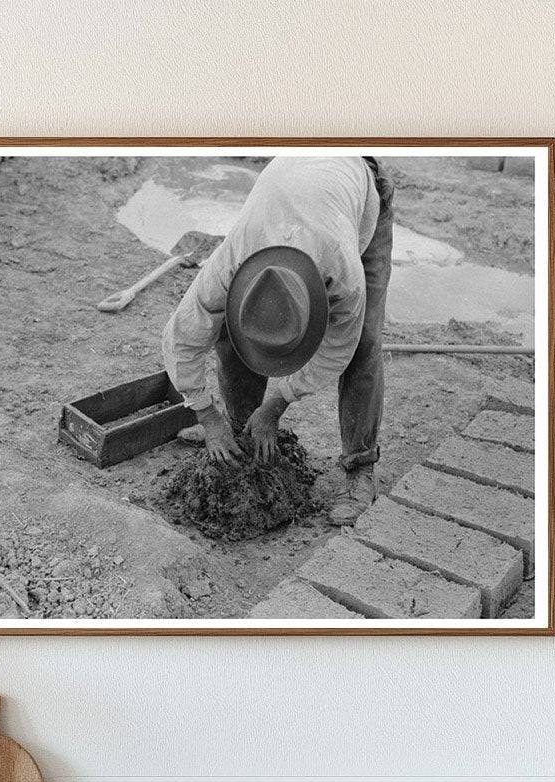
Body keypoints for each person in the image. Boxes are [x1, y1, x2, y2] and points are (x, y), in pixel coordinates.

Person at [161, 154, 394, 526]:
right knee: (229, 336)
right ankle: (237, 430)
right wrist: (208, 418)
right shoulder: (232, 261)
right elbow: (182, 338)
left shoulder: (342, 273)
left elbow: (339, 348)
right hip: (298, 180)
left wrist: (276, 406)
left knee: (364, 345)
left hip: (361, 191)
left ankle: (360, 468)